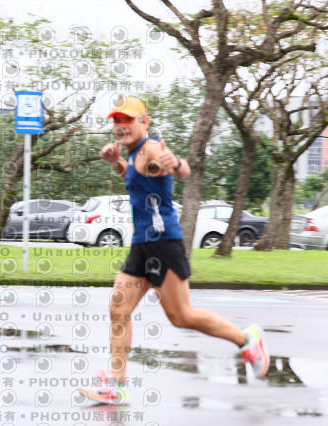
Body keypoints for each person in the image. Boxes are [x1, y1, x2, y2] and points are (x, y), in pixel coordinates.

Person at [84, 96, 269, 403]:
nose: (120, 125)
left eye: (128, 119)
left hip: (163, 244)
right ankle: (117, 385)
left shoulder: (151, 148)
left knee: (181, 316)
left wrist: (177, 165)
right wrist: (116, 163)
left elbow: (177, 170)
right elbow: (137, 180)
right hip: (141, 246)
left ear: (144, 122)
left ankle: (247, 339)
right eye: (117, 120)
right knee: (118, 309)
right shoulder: (132, 154)